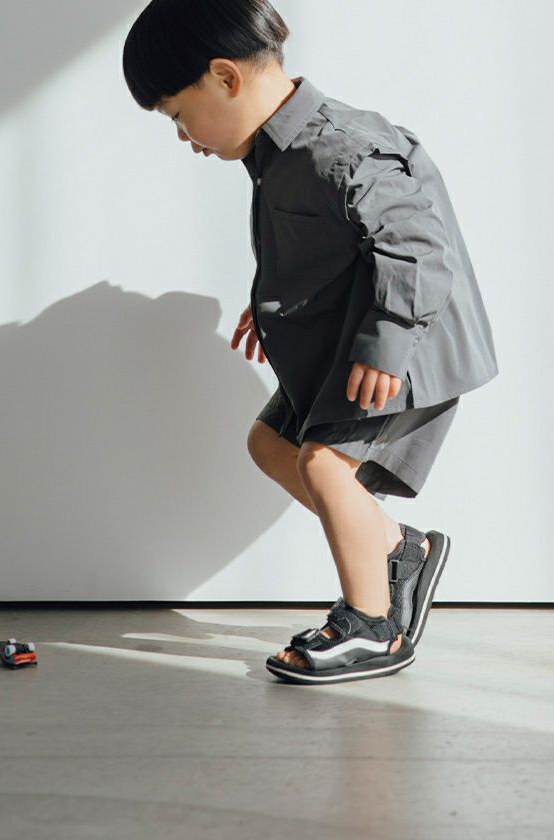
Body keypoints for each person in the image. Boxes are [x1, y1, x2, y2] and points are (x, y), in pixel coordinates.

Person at [122, 0, 499, 685]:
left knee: (325, 465)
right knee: (270, 444)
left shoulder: (339, 147)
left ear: (225, 77)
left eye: (178, 114)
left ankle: (373, 626)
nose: (183, 136)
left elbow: (417, 246)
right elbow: (327, 243)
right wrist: (275, 302)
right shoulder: (277, 150)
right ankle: (399, 552)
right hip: (350, 337)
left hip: (404, 346)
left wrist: (388, 342)